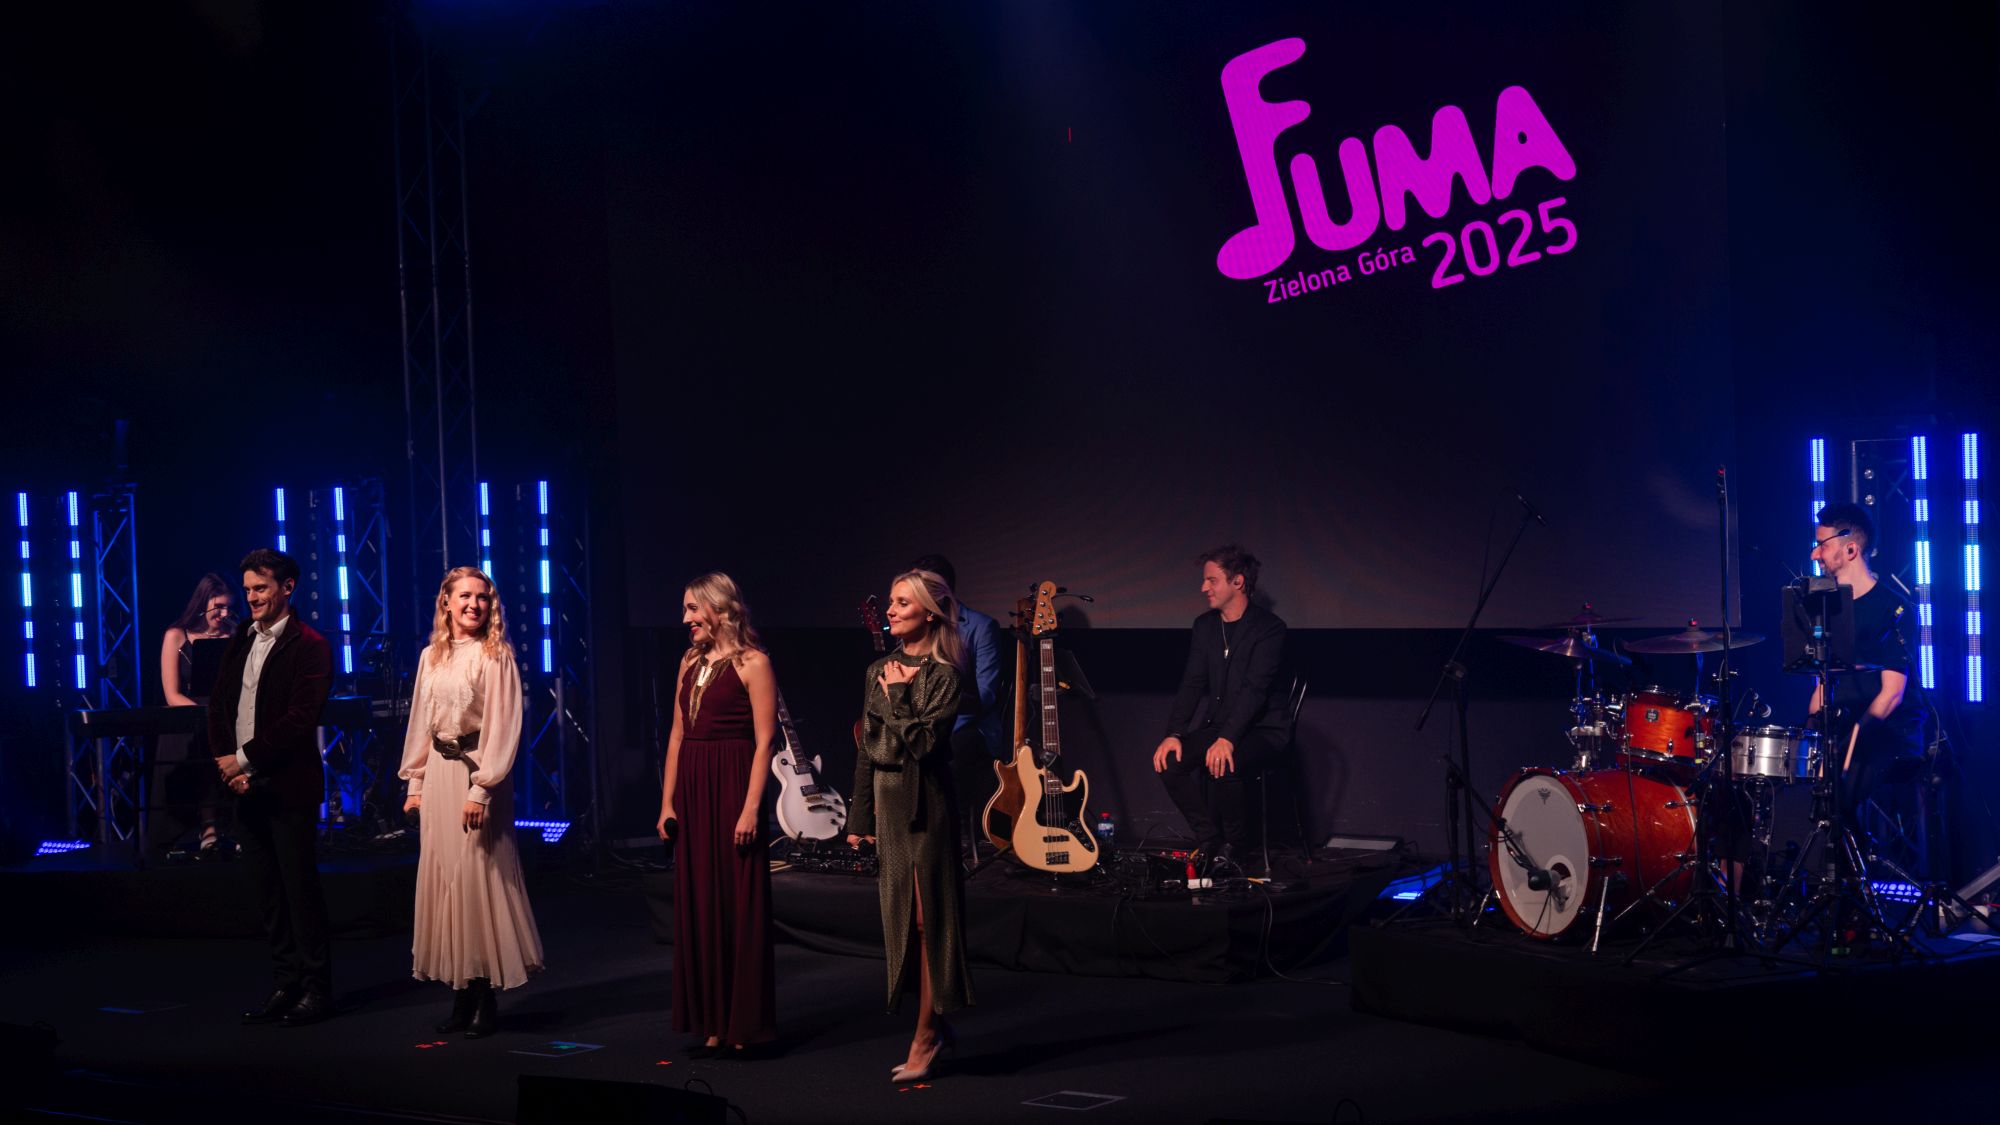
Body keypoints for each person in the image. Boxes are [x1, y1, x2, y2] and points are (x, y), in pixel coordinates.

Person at [397, 566, 544, 1039]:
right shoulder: (431, 656)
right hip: (440, 774)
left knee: (477, 879)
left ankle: (484, 995)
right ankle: (460, 993)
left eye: (482, 597)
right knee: (445, 879)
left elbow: (504, 727)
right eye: (464, 596)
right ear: (446, 601)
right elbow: (422, 723)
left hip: (476, 772)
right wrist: (415, 784)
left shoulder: (495, 655)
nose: (473, 605)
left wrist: (481, 788)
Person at [846, 568, 974, 1083]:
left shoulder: (946, 676)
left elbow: (923, 745)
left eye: (903, 602)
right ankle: (934, 1026)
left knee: (927, 921)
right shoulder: (877, 668)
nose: (892, 610)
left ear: (930, 613)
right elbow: (866, 749)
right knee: (902, 920)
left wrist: (900, 696)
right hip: (888, 803)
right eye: (892, 602)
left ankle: (926, 1033)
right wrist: (859, 816)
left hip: (927, 806)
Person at [207, 548, 334, 1027]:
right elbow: (219, 704)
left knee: (299, 891)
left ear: (287, 587)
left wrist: (243, 759)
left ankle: (317, 990)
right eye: (248, 590)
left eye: (260, 588)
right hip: (243, 786)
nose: (252, 597)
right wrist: (229, 767)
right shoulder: (242, 637)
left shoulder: (311, 645)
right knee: (268, 894)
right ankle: (287, 983)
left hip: (287, 786)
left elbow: (301, 719)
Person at [656, 573, 778, 1057]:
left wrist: (750, 809)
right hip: (693, 788)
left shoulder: (753, 663)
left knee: (735, 903)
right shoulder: (689, 661)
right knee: (701, 902)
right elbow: (676, 735)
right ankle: (710, 1019)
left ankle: (741, 1022)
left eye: (692, 608)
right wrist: (667, 802)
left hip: (732, 786)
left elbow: (765, 742)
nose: (685, 618)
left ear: (719, 609)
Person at [1151, 545, 1288, 873]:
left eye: (1211, 580)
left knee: (1225, 761)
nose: (1204, 588)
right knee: (1170, 762)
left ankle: (1235, 847)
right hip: (1220, 726)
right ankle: (1209, 839)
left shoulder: (1269, 629)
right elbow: (1192, 683)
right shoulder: (1205, 626)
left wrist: (1227, 738)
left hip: (1263, 730)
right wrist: (1174, 733)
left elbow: (1255, 691)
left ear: (1237, 582)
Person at [1806, 503, 1922, 827]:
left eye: (1822, 545)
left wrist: (1847, 746)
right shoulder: (1827, 608)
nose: (1815, 554)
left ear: (1851, 549)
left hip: (1887, 732)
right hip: (1841, 727)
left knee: (1834, 794)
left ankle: (1847, 860)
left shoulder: (1894, 609)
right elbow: (1823, 684)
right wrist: (1808, 734)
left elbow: (1891, 695)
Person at [909, 555, 1004, 854]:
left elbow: (986, 695)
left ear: (941, 589)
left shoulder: (980, 626)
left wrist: (939, 706)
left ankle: (950, 832)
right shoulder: (916, 624)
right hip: (925, 723)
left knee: (949, 745)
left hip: (968, 727)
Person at [159, 573, 236, 854]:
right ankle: (207, 825)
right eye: (219, 607)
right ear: (202, 604)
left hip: (226, 712)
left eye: (228, 607)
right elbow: (172, 694)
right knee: (205, 745)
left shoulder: (234, 635)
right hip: (189, 716)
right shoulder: (176, 636)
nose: (224, 614)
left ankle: (238, 825)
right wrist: (205, 715)